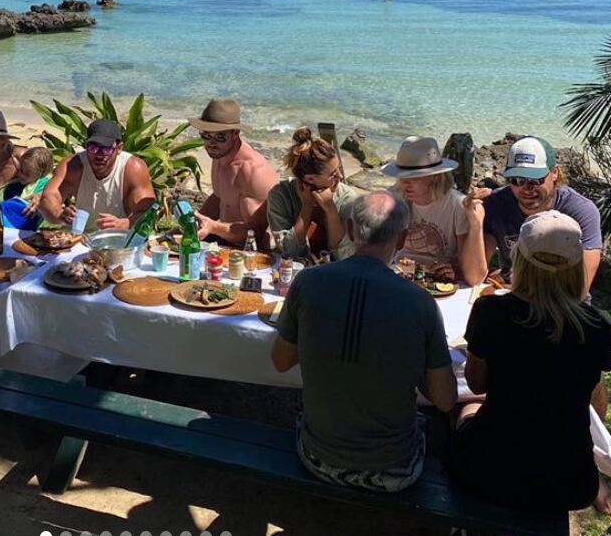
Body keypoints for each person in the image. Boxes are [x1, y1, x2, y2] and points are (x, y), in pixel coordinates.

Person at [447, 211, 611, 536]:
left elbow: (477, 381)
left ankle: (465, 530)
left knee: (462, 409)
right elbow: (592, 401)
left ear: (520, 259)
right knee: (546, 441)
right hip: (569, 482)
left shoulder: (491, 311)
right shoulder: (599, 326)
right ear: (574, 268)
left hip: (488, 468)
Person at [271, 192, 457, 492]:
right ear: (401, 240)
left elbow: (280, 361)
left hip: (318, 457)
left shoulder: (308, 282)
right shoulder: (420, 303)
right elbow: (445, 399)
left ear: (351, 229)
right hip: (393, 470)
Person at [479, 136, 603, 295]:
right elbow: (475, 275)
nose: (526, 188)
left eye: (534, 180)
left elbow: (578, 289)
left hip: (565, 306)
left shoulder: (581, 212)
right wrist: (475, 221)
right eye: (517, 180)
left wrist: (516, 288)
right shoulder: (496, 204)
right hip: (515, 296)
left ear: (554, 173)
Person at [383, 135, 488, 285]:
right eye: (401, 176)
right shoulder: (392, 198)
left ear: (434, 176)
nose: (405, 182)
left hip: (438, 279)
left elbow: (475, 277)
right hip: (399, 273)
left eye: (414, 176)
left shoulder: (457, 206)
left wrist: (476, 225)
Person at [39, 118, 156, 232]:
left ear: (119, 148)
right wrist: (59, 215)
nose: (99, 155)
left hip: (116, 238)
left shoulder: (133, 168)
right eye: (93, 148)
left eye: (106, 150)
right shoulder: (72, 166)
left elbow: (147, 212)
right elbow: (48, 197)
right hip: (77, 237)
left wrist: (126, 223)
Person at [189, 98, 278, 246]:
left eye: (219, 137)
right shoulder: (219, 155)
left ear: (235, 133)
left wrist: (214, 227)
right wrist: (192, 225)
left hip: (251, 252)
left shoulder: (253, 172)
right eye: (206, 135)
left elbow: (257, 234)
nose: (211, 143)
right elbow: (219, 198)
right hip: (224, 240)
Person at [266, 127, 358, 262]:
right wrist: (306, 208)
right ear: (309, 179)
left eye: (338, 169)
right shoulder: (281, 195)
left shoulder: (347, 199)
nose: (341, 176)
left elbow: (343, 256)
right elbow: (290, 252)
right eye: (333, 174)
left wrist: (331, 210)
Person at [0, 146, 56, 230]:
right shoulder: (14, 184)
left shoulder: (44, 184)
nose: (21, 175)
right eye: (21, 170)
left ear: (41, 175)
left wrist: (42, 196)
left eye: (27, 174)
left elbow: (52, 191)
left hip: (27, 225)